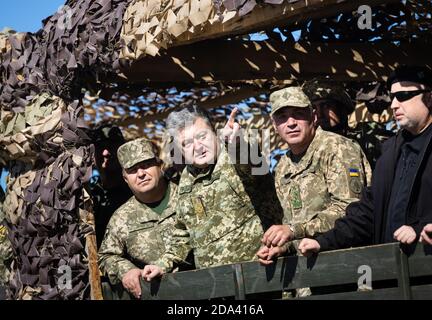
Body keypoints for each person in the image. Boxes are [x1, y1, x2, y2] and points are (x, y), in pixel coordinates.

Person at [298, 65, 432, 256]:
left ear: (429, 97)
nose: (394, 104)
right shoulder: (390, 152)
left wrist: (419, 229)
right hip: (392, 270)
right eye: (392, 97)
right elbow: (367, 213)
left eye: (403, 96)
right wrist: (323, 242)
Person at [141, 105, 283, 282]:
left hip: (263, 278)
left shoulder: (234, 155)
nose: (198, 147)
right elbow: (183, 234)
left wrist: (237, 144)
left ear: (215, 133)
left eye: (202, 136)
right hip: (216, 287)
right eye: (187, 143)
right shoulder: (186, 177)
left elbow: (256, 167)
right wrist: (162, 264)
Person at [256, 86, 371, 266]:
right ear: (274, 125)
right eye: (282, 117)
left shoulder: (336, 148)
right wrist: (282, 247)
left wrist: (294, 230)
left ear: (313, 117)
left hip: (348, 266)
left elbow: (349, 209)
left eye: (298, 114)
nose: (291, 122)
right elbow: (291, 224)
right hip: (308, 275)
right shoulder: (283, 166)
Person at [98, 138, 182, 299]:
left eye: (145, 165)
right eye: (133, 170)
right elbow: (106, 256)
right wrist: (127, 270)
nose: (141, 174)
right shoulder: (121, 218)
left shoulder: (187, 198)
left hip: (204, 289)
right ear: (125, 179)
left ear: (160, 165)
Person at [304, 81, 394, 169]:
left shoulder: (365, 136)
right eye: (314, 108)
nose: (319, 114)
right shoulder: (304, 145)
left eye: (326, 106)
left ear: (342, 109)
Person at [89, 126, 132, 248]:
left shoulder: (137, 188)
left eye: (111, 146)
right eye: (100, 147)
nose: (105, 153)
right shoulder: (90, 193)